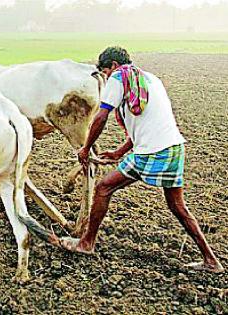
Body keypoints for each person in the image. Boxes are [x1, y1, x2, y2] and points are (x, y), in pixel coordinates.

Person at [61, 46, 223, 273]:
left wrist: (86, 148)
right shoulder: (150, 79)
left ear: (113, 66)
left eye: (105, 71)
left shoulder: (119, 76)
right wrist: (119, 152)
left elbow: (101, 115)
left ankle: (86, 243)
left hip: (152, 152)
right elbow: (147, 123)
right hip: (174, 148)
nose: (106, 77)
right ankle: (211, 260)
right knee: (178, 206)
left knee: (103, 188)